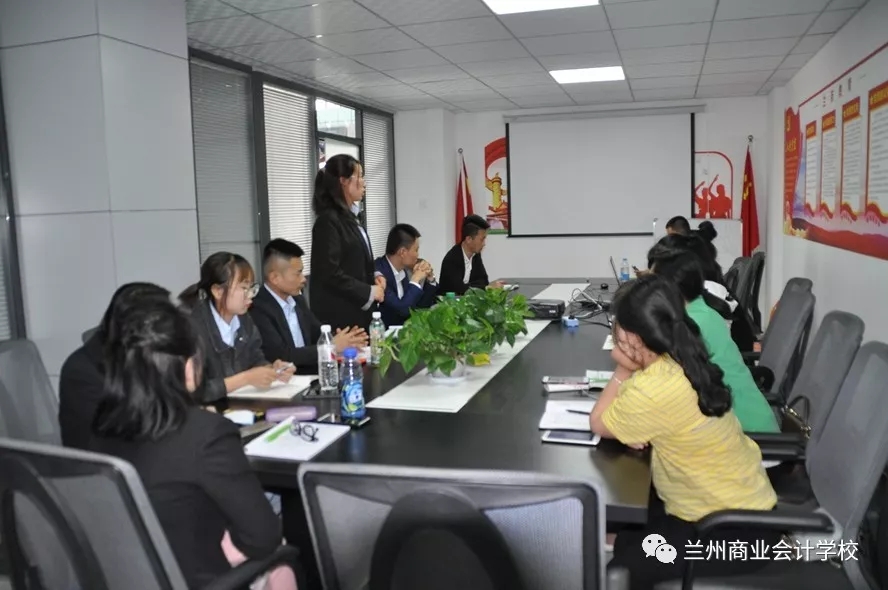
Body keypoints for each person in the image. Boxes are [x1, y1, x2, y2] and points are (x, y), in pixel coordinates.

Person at [89, 298, 297, 590]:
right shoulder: (206, 433)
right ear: (189, 369)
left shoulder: (101, 426)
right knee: (281, 556)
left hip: (123, 576)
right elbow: (263, 538)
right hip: (197, 579)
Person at [590, 275, 779, 589]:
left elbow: (598, 422)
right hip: (726, 509)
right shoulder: (680, 356)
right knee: (625, 536)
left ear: (633, 335)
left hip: (728, 532)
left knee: (622, 569)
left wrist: (622, 370)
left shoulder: (655, 386)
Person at [648, 251, 778, 432]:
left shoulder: (691, 322)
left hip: (746, 431)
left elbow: (659, 376)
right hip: (737, 419)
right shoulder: (699, 308)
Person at [58, 282, 172, 450]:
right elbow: (112, 435)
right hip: (103, 460)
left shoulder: (135, 355)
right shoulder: (82, 371)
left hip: (143, 450)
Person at [179, 252, 294, 403]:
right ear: (218, 291)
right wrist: (245, 378)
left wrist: (271, 369)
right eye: (244, 288)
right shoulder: (192, 327)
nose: (250, 295)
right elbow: (193, 391)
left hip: (240, 406)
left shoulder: (244, 319)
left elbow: (255, 358)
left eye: (251, 287)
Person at [250, 239, 367, 372]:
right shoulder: (258, 309)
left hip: (310, 374)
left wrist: (345, 339)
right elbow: (281, 355)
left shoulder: (297, 300)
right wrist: (331, 346)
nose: (303, 279)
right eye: (298, 273)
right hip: (285, 379)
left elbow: (317, 332)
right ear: (275, 278)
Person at [310, 154, 384, 331]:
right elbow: (329, 272)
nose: (364, 183)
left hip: (358, 311)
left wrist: (374, 275)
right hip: (341, 316)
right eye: (359, 176)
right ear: (343, 181)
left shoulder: (351, 217)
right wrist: (369, 291)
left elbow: (354, 259)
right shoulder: (328, 221)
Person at [374, 223, 438, 326]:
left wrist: (430, 279)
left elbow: (418, 308)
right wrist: (415, 279)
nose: (418, 255)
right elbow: (403, 311)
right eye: (416, 250)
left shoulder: (403, 270)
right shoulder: (379, 274)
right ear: (402, 252)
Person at [438, 214, 503, 296]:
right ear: (468, 239)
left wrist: (474, 286)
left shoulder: (476, 255)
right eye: (482, 239)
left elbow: (483, 281)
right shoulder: (452, 259)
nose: (484, 244)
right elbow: (458, 289)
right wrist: (485, 288)